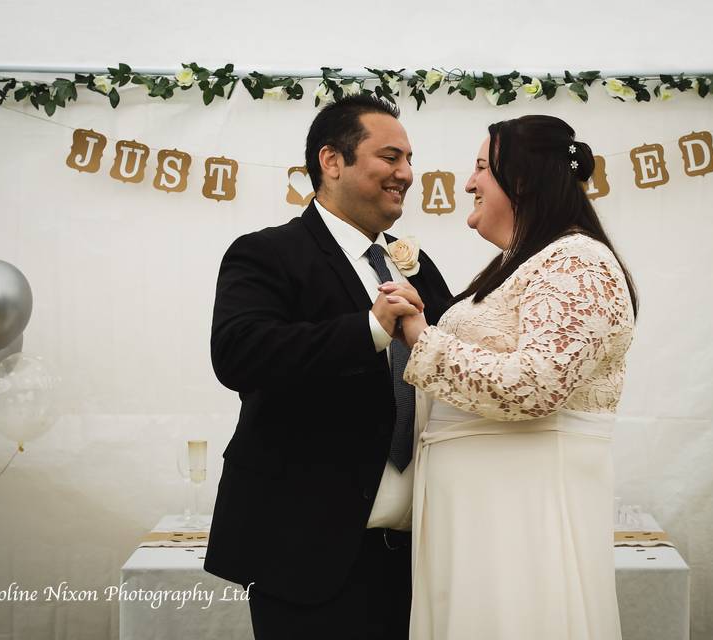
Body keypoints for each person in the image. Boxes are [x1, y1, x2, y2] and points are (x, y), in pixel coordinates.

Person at [204, 94, 453, 639]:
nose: (406, 174)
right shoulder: (266, 254)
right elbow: (239, 353)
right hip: (305, 556)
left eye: (409, 159)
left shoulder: (418, 266)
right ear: (331, 161)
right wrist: (369, 329)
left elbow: (453, 369)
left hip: (417, 561)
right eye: (390, 158)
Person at [380, 115, 638, 639]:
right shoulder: (521, 263)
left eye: (480, 169)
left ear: (521, 180)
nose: (468, 183)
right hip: (481, 516)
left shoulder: (578, 261)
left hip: (521, 519)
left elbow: (538, 383)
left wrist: (421, 339)